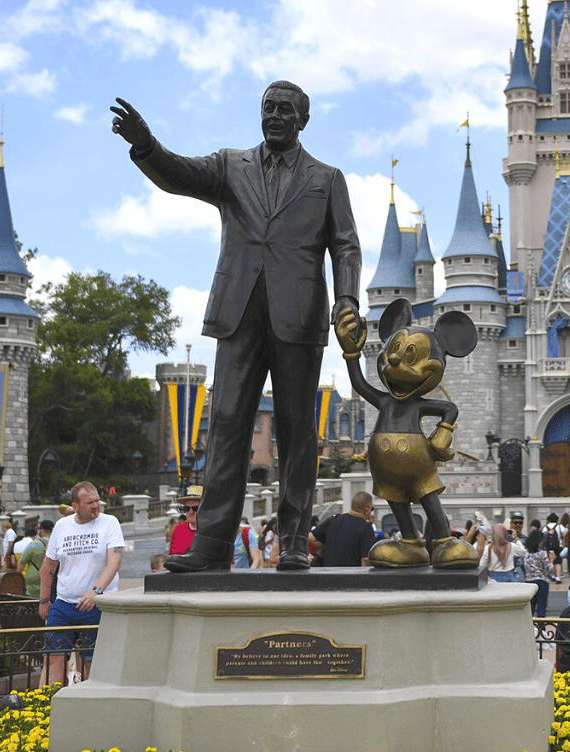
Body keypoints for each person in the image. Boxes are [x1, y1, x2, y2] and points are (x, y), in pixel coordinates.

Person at [113, 83, 362, 573]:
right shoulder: (231, 166)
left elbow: (346, 245)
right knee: (226, 425)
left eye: (285, 110)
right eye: (268, 108)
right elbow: (177, 174)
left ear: (303, 120)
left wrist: (347, 299)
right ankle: (210, 545)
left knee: (297, 431)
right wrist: (146, 146)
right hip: (238, 312)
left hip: (300, 315)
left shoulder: (327, 178)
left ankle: (293, 540)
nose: (274, 116)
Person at [39, 482, 124, 684]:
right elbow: (48, 566)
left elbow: (115, 560)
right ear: (75, 506)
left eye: (97, 501)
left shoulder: (110, 522)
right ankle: (46, 707)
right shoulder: (62, 526)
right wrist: (43, 599)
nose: (96, 506)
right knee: (52, 658)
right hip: (63, 604)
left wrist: (96, 591)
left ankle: (88, 708)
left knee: (90, 662)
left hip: (97, 604)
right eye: (90, 502)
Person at [310, 492, 376, 568]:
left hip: (329, 575)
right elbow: (365, 560)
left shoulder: (333, 520)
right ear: (367, 510)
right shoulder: (366, 527)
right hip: (350, 576)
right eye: (372, 509)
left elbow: (311, 537)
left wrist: (329, 546)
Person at [18, 519, 52, 599]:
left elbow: (21, 563)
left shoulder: (34, 544)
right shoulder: (57, 543)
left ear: (42, 530)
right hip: (52, 582)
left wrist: (18, 579)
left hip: (34, 586)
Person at [523, 531, 553, 617]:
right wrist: (552, 560)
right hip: (541, 581)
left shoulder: (525, 553)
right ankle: (541, 628)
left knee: (530, 609)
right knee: (541, 608)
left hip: (529, 581)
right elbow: (549, 568)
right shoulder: (541, 553)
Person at [168, 486, 202, 556]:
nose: (190, 512)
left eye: (195, 508)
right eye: (187, 508)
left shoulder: (213, 532)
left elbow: (229, 564)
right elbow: (171, 558)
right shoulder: (178, 529)